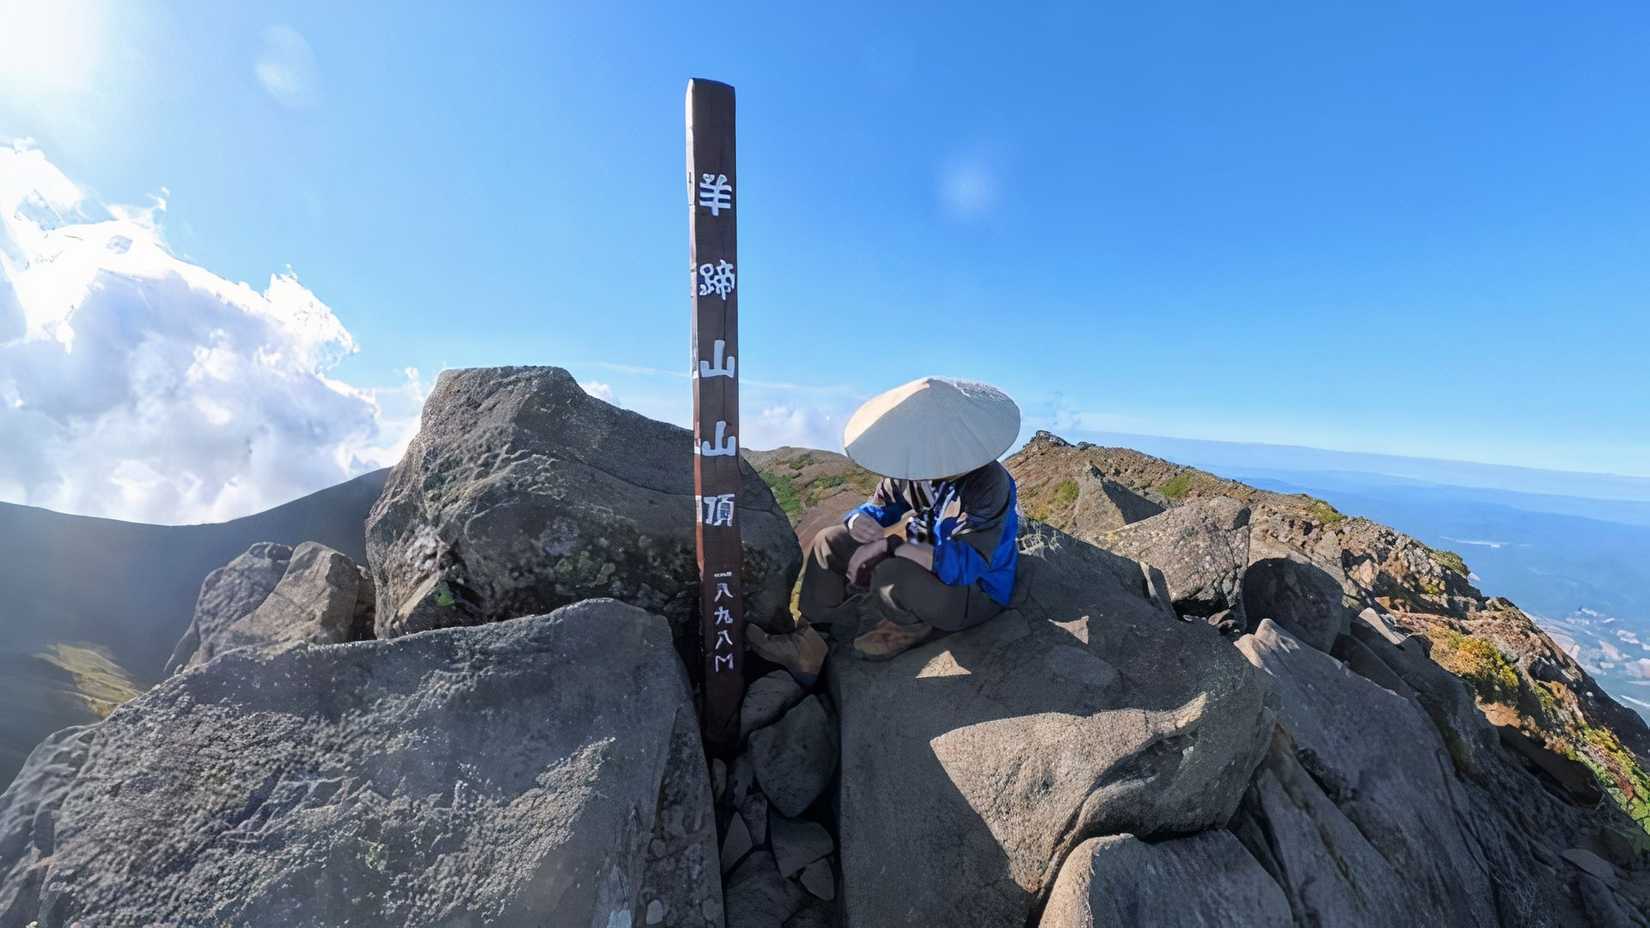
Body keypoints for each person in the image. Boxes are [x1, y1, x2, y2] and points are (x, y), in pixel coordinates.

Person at [799, 376, 1021, 660]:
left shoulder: (989, 484)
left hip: (973, 590)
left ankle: (911, 626)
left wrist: (893, 547)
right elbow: (880, 506)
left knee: (890, 576)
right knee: (828, 541)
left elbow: (966, 565)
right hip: (920, 556)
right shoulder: (914, 467)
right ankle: (815, 631)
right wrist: (859, 522)